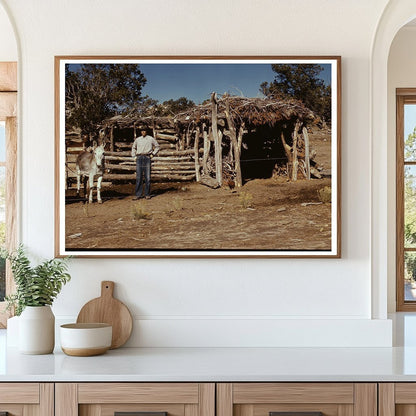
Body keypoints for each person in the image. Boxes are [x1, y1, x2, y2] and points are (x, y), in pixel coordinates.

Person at [131, 129, 160, 200]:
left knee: (147, 177)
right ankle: (138, 194)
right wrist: (134, 157)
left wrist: (153, 154)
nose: (143, 132)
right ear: (140, 132)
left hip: (147, 157)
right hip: (139, 158)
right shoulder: (138, 139)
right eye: (142, 131)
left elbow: (157, 146)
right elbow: (133, 148)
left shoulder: (150, 139)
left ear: (146, 131)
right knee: (139, 177)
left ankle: (147, 194)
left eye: (144, 130)